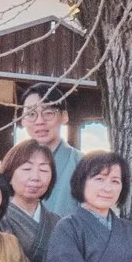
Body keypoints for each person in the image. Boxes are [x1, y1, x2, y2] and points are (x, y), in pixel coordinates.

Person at [19, 83, 82, 218]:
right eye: (31, 114)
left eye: (48, 113)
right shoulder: (14, 165)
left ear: (64, 116)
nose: (39, 121)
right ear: (23, 120)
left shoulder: (82, 165)